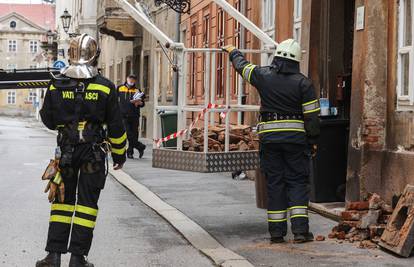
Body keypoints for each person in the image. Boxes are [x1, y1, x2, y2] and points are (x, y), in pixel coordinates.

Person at [37, 34, 127, 267]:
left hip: (66, 153)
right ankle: (78, 258)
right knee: (87, 206)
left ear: (70, 55)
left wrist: (64, 125)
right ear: (95, 56)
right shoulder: (105, 87)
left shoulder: (56, 83)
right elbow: (116, 126)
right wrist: (120, 154)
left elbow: (46, 118)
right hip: (93, 155)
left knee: (61, 203)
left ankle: (53, 256)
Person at [223, 39, 320, 244]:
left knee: (275, 183)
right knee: (297, 182)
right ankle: (301, 232)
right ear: (296, 60)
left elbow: (242, 67)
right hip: (296, 141)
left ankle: (277, 233)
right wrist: (312, 141)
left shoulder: (263, 76)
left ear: (277, 56)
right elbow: (312, 118)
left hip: (270, 141)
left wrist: (233, 52)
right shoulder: (304, 83)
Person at [117, 74, 146, 159]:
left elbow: (142, 103)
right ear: (127, 79)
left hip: (134, 116)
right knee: (128, 134)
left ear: (135, 81)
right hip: (123, 115)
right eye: (130, 78)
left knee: (134, 134)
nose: (132, 80)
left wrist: (140, 103)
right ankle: (140, 146)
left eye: (133, 79)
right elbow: (114, 100)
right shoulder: (120, 88)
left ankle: (130, 153)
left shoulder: (137, 90)